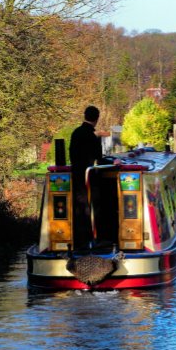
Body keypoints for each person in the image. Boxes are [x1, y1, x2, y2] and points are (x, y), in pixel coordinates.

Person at [69, 105, 103, 249]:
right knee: (94, 205)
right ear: (96, 119)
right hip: (89, 178)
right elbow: (98, 158)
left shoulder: (75, 133)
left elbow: (72, 155)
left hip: (77, 176)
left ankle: (79, 240)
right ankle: (94, 238)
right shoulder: (92, 136)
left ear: (85, 116)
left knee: (79, 207)